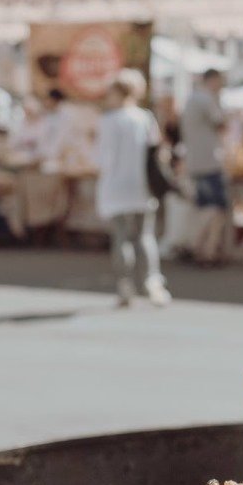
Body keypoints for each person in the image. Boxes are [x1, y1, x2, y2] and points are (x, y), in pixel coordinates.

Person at [96, 69, 170, 308]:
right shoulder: (145, 118)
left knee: (121, 237)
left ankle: (125, 285)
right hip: (141, 185)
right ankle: (152, 283)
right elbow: (158, 152)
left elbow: (101, 157)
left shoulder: (108, 121)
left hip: (115, 185)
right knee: (145, 235)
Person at [181, 69, 229, 266]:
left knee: (207, 207)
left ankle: (202, 247)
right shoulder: (205, 99)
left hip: (196, 161)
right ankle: (200, 246)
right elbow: (221, 123)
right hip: (208, 161)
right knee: (216, 207)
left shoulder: (192, 99)